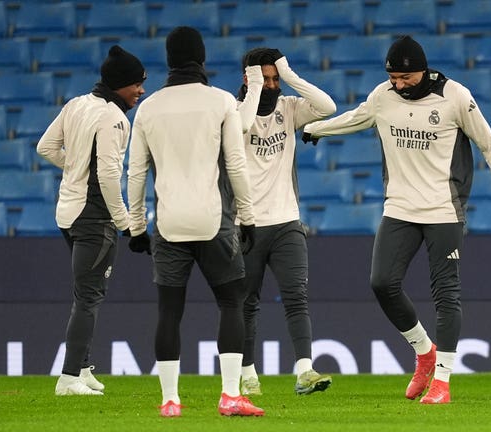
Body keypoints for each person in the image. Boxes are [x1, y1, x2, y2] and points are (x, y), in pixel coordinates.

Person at [302, 35, 491, 404]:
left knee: (446, 294)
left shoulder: (455, 97)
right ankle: (424, 352)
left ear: (422, 71)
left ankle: (442, 382)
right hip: (399, 208)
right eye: (393, 78)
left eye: (405, 79)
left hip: (444, 210)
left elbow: (490, 147)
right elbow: (358, 117)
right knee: (382, 283)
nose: (398, 85)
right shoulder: (383, 96)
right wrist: (316, 128)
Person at [126, 26, 263, 418]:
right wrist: (248, 218)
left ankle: (170, 400)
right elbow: (236, 164)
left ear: (169, 61)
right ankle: (230, 395)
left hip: (168, 222)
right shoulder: (220, 101)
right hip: (213, 219)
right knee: (231, 303)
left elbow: (136, 173)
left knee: (169, 311)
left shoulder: (148, 107)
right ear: (201, 59)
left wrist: (137, 227)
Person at [37, 45, 147, 396]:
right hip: (94, 217)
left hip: (67, 213)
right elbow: (110, 176)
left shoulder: (77, 104)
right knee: (89, 297)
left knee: (86, 294)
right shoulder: (114, 118)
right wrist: (126, 222)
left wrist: (74, 169)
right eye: (137, 84)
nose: (141, 90)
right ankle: (68, 379)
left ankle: (83, 370)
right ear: (119, 85)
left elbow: (46, 148)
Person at [235, 47, 337, 396]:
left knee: (296, 296)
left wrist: (289, 75)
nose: (272, 85)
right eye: (265, 79)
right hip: (245, 223)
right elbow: (242, 126)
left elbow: (327, 107)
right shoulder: (233, 114)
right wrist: (253, 89)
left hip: (286, 221)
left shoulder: (289, 108)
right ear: (248, 79)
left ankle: (305, 371)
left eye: (275, 79)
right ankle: (247, 373)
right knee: (247, 303)